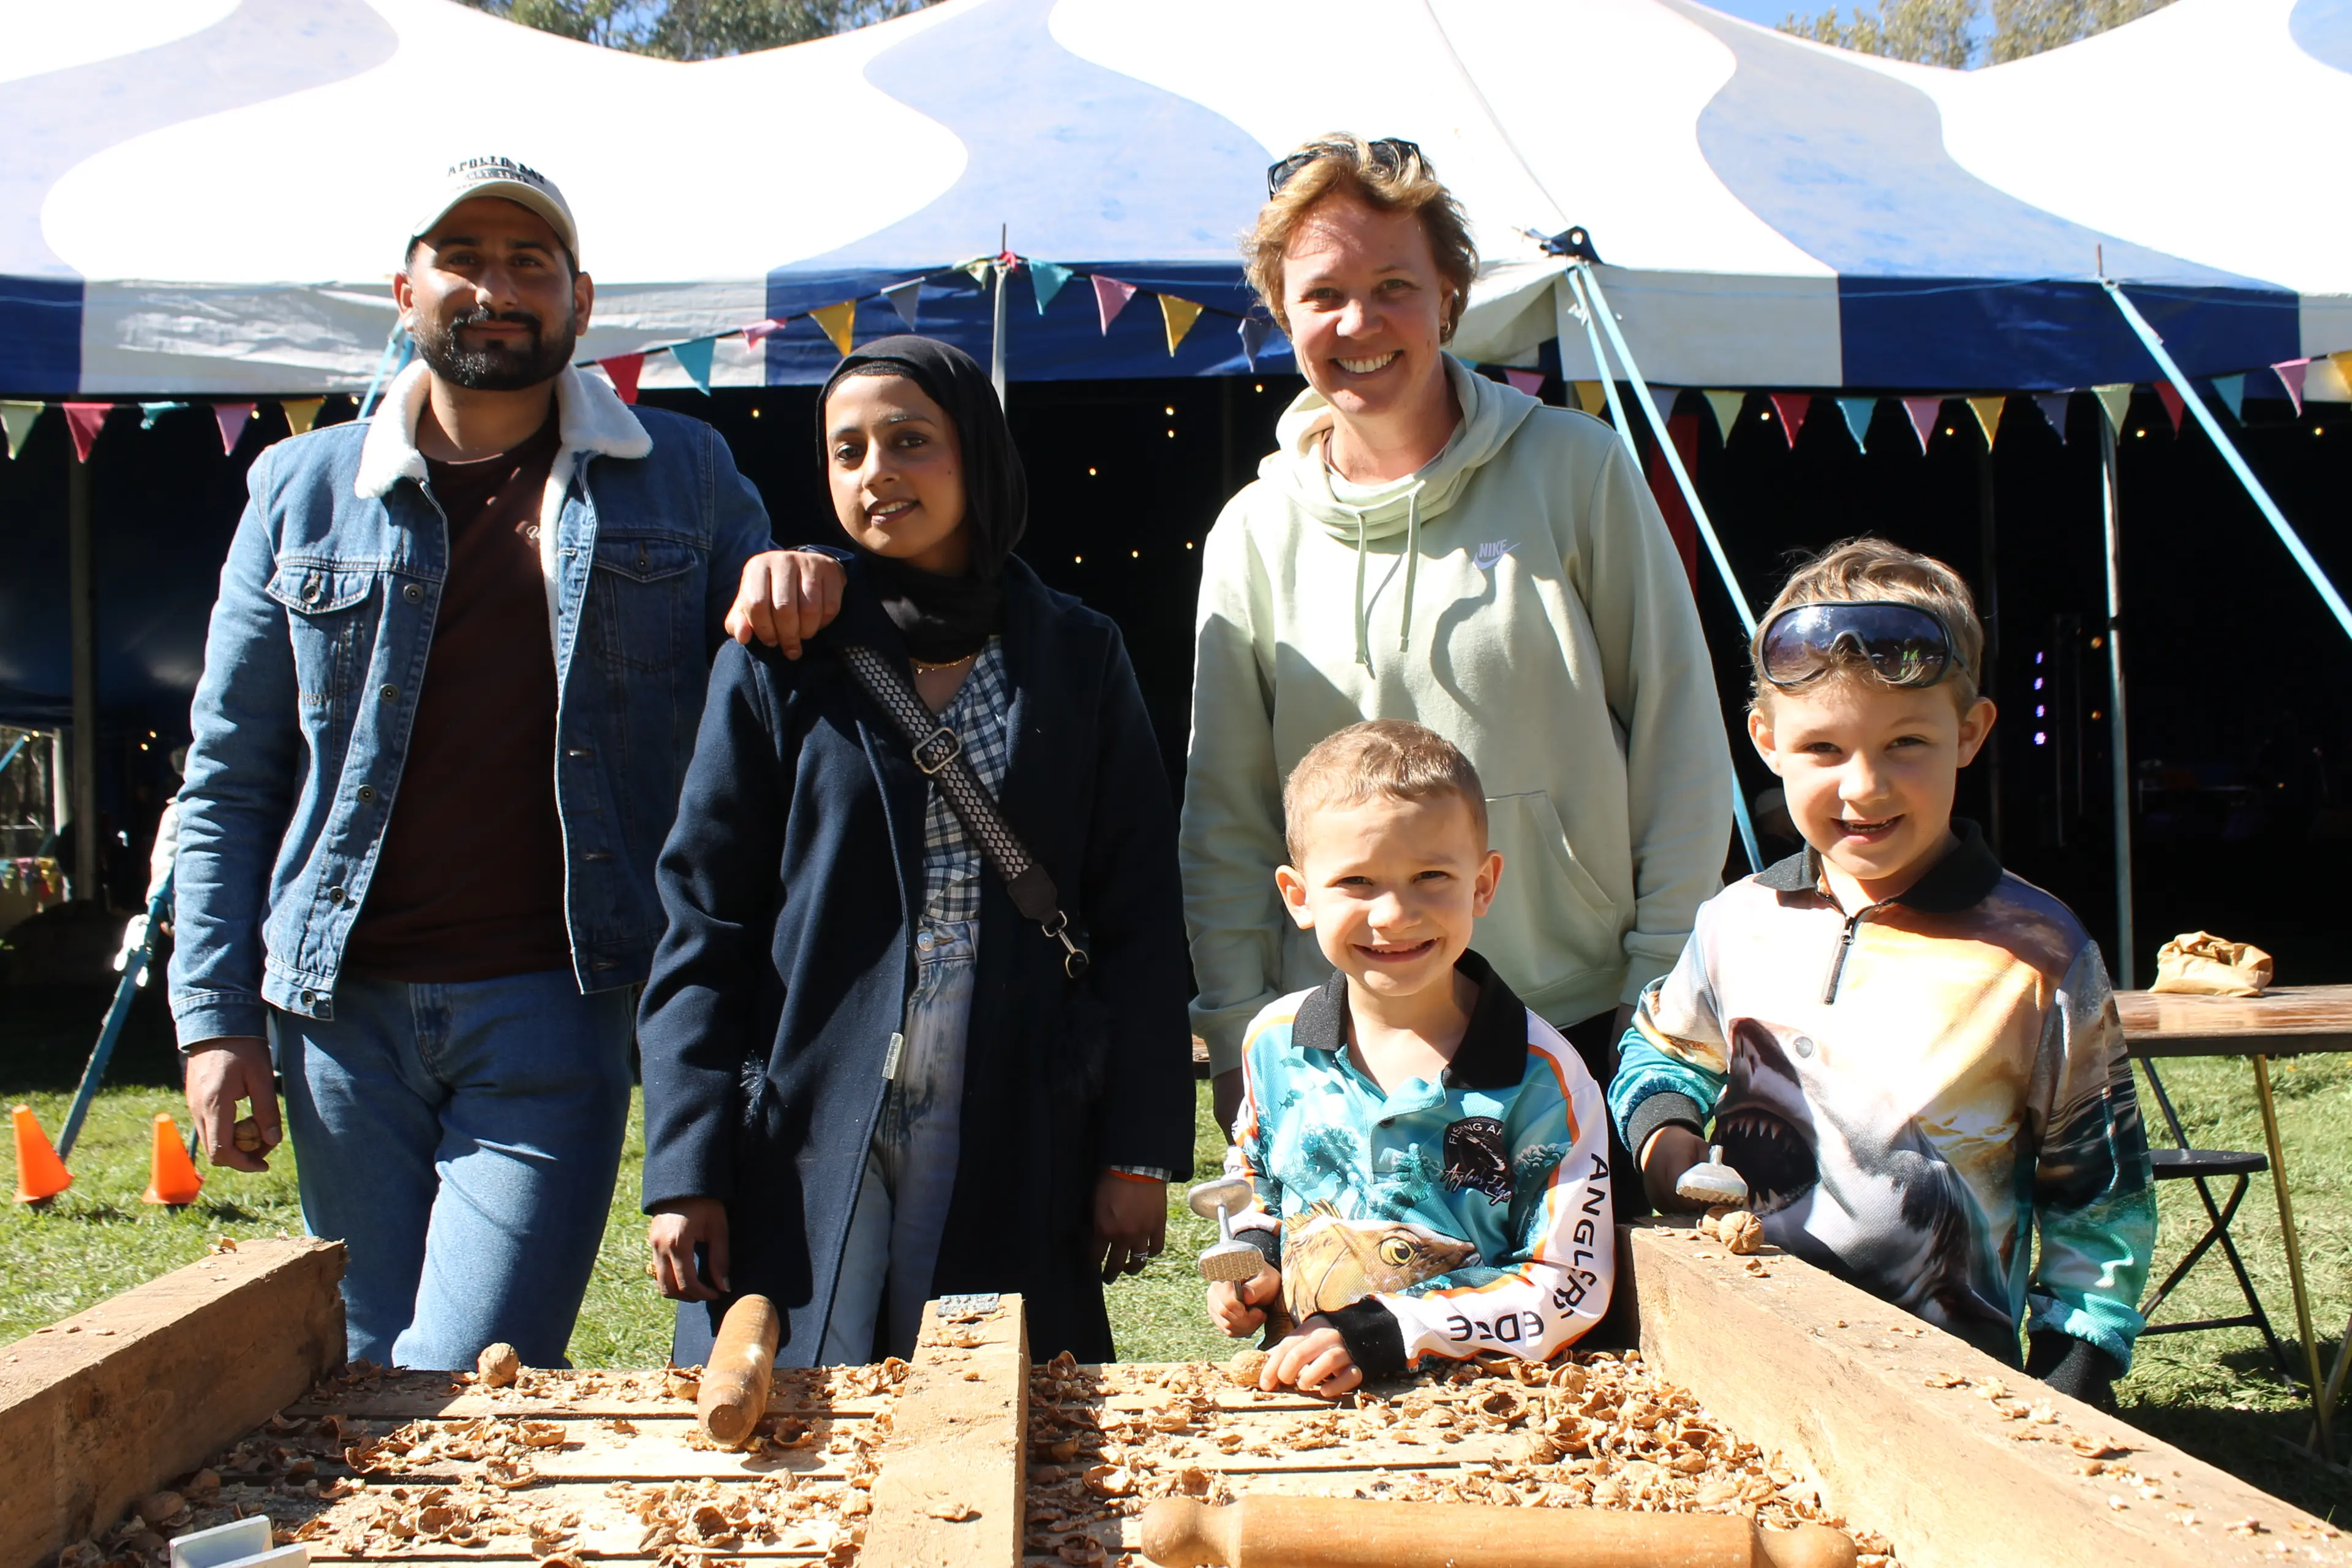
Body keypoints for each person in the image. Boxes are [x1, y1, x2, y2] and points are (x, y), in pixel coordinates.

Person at [170, 156, 783, 1370]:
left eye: (529, 263)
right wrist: (212, 1018)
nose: (495, 287)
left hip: (554, 998)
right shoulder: (297, 490)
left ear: (582, 300)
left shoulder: (687, 472)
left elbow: (773, 712)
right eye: (464, 259)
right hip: (334, 1010)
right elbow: (228, 776)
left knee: (466, 1373)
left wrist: (803, 576)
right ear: (407, 290)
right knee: (353, 1366)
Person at [1180, 135, 1733, 1196]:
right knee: (1354, 1349)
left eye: (1394, 286)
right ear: (1281, 313)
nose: (1359, 323)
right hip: (1342, 1048)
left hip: (1577, 1013)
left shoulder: (1578, 470)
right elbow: (1227, 814)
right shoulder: (1252, 534)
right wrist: (1237, 1027)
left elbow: (1679, 734)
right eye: (1323, 294)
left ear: (1452, 295)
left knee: (1580, 1351)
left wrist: (1661, 996)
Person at [636, 336, 1195, 1368]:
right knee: (798, 1401)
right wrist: (684, 1166)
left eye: (910, 440)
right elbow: (704, 920)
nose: (876, 471)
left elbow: (1140, 917)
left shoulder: (1077, 654)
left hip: (1013, 1082)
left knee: (975, 1397)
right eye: (847, 451)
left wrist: (1139, 1149)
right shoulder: (785, 655)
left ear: (978, 455)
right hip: (807, 1093)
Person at [1611, 539, 2155, 1406]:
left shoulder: (2042, 954)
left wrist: (2073, 1373)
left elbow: (2099, 1196)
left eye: (1907, 743)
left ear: (1970, 733)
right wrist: (1666, 1141)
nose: (1865, 787)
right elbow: (1664, 1056)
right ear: (1766, 742)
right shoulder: (1732, 923)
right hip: (1745, 1357)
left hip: (1954, 1388)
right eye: (1823, 748)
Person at [1207, 720, 1615, 1396]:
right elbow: (1256, 1183)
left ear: (1483, 885)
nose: (1394, 914)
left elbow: (1567, 1284)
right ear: (1299, 896)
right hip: (1303, 1416)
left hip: (1486, 1424)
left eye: (1431, 876)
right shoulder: (1273, 1042)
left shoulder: (1545, 1077)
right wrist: (1252, 1260)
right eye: (1358, 882)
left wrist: (1384, 1332)